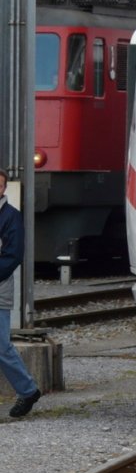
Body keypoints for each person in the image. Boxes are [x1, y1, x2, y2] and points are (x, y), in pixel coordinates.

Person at [0, 169, 41, 417]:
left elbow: (13, 255)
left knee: (2, 347)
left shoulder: (10, 217)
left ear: (4, 189)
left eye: (0, 185)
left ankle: (28, 391)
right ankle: (28, 391)